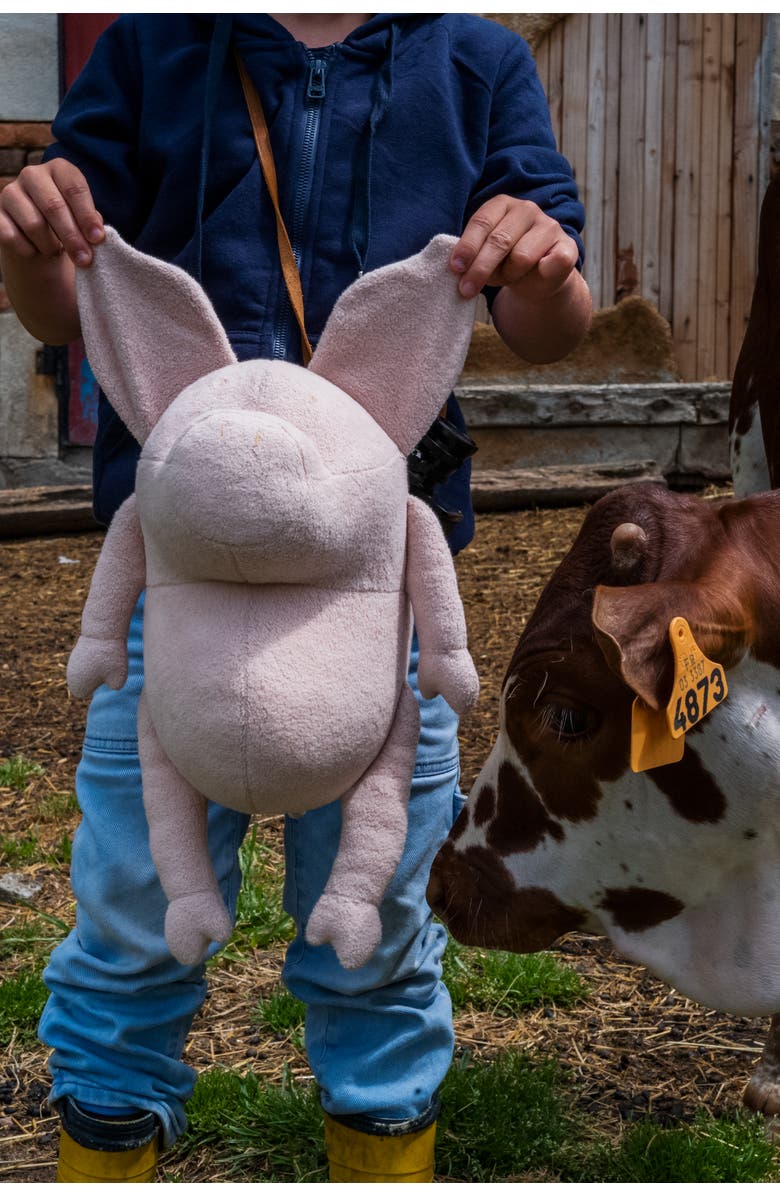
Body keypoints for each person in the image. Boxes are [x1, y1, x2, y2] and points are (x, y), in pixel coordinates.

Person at [0, 14, 591, 1183]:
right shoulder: (150, 48)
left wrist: (543, 264)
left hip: (381, 604)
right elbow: (68, 307)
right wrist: (30, 239)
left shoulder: (475, 61)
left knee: (373, 935)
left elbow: (547, 327)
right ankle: (104, 1141)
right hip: (175, 591)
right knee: (126, 929)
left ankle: (382, 1145)